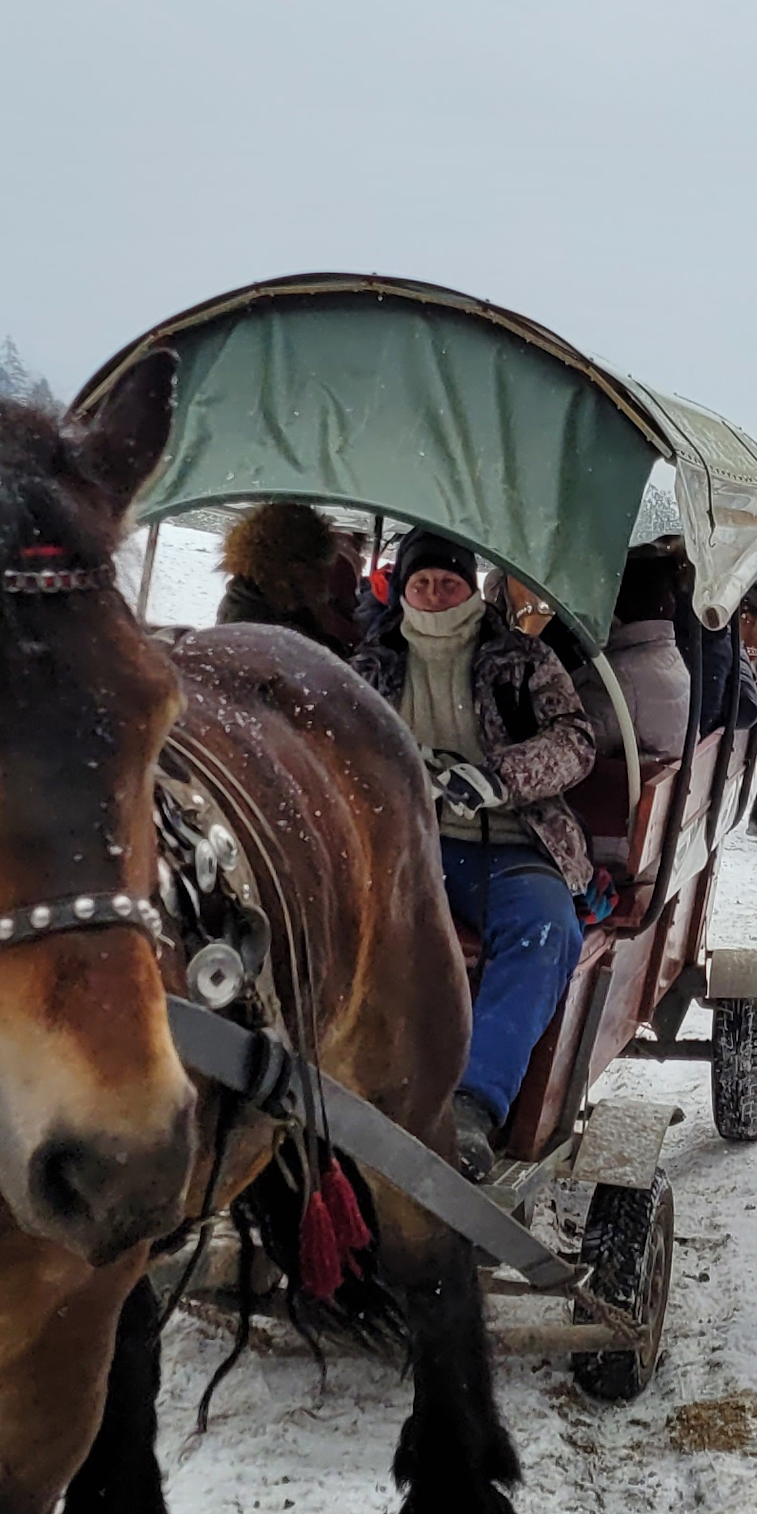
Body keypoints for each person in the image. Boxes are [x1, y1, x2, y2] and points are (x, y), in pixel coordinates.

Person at [351, 527, 597, 1179]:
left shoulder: (520, 660)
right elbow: (339, 745)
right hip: (411, 848)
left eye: (448, 582)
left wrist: (498, 775)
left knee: (548, 931)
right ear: (402, 588)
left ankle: (472, 1105)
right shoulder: (374, 664)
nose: (434, 595)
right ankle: (350, 1092)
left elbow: (576, 740)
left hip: (513, 847)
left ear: (469, 586)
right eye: (421, 583)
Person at [215, 498, 364, 655]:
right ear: (300, 571)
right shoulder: (275, 635)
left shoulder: (247, 603)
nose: (325, 584)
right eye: (323, 569)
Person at [602, 544, 699, 772]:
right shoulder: (668, 657)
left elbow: (584, 738)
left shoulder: (621, 675)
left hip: (611, 800)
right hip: (658, 791)